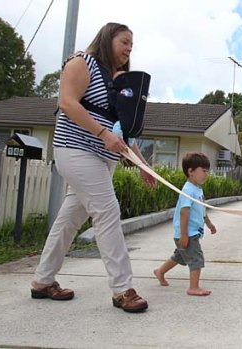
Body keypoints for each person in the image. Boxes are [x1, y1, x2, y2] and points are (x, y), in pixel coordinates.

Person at [30, 23, 156, 313]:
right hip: (75, 150)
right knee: (107, 211)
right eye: (125, 42)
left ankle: (42, 280)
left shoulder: (119, 80)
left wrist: (143, 166)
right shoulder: (81, 62)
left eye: (131, 45)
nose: (128, 49)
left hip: (103, 158)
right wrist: (102, 134)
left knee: (69, 220)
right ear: (107, 38)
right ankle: (122, 289)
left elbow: (122, 131)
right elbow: (68, 103)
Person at [153, 152, 217, 296]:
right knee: (196, 258)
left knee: (179, 256)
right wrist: (184, 234)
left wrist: (209, 224)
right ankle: (193, 287)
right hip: (188, 233)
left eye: (207, 171)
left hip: (192, 232)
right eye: (203, 171)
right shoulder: (188, 190)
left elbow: (202, 210)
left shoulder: (198, 189)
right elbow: (184, 213)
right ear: (191, 171)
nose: (206, 174)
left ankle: (160, 271)